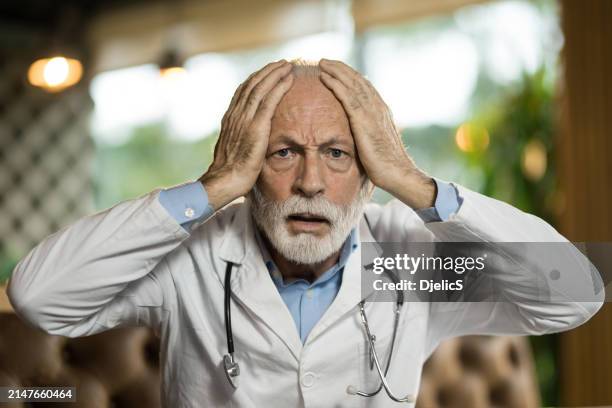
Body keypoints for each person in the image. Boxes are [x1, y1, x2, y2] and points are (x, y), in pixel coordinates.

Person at [7, 59, 603, 407]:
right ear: (247, 165)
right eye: (283, 152)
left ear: (370, 175)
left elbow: (576, 292)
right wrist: (213, 187)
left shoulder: (408, 263)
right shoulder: (193, 257)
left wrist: (413, 182)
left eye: (339, 154)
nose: (311, 182)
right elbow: (39, 295)